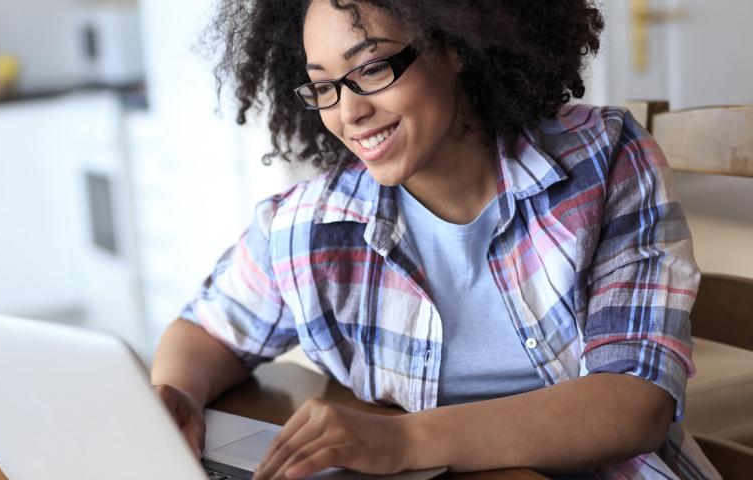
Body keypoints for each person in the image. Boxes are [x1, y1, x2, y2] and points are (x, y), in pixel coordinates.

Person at [150, 1, 720, 478]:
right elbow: (207, 329)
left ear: (453, 44)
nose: (349, 112)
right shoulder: (311, 225)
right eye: (323, 86)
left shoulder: (604, 159)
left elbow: (635, 401)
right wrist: (175, 396)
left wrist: (403, 442)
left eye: (372, 68)